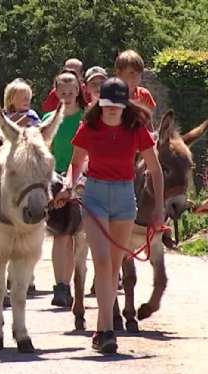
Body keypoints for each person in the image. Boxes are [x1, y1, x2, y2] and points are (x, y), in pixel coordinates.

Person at [53, 77, 164, 354]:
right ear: (100, 104)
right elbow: (76, 163)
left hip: (126, 198)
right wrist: (69, 185)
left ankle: (102, 330)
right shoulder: (88, 127)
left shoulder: (136, 128)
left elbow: (155, 169)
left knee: (114, 268)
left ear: (125, 105)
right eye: (107, 105)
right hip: (96, 196)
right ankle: (108, 331)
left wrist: (159, 209)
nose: (112, 110)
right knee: (101, 262)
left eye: (117, 105)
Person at [42, 71, 87, 307]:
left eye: (71, 92)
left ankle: (72, 285)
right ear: (56, 91)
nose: (67, 96)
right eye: (63, 92)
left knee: (77, 238)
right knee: (61, 235)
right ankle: (61, 287)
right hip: (55, 181)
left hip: (82, 181)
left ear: (79, 90)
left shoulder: (87, 117)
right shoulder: (48, 120)